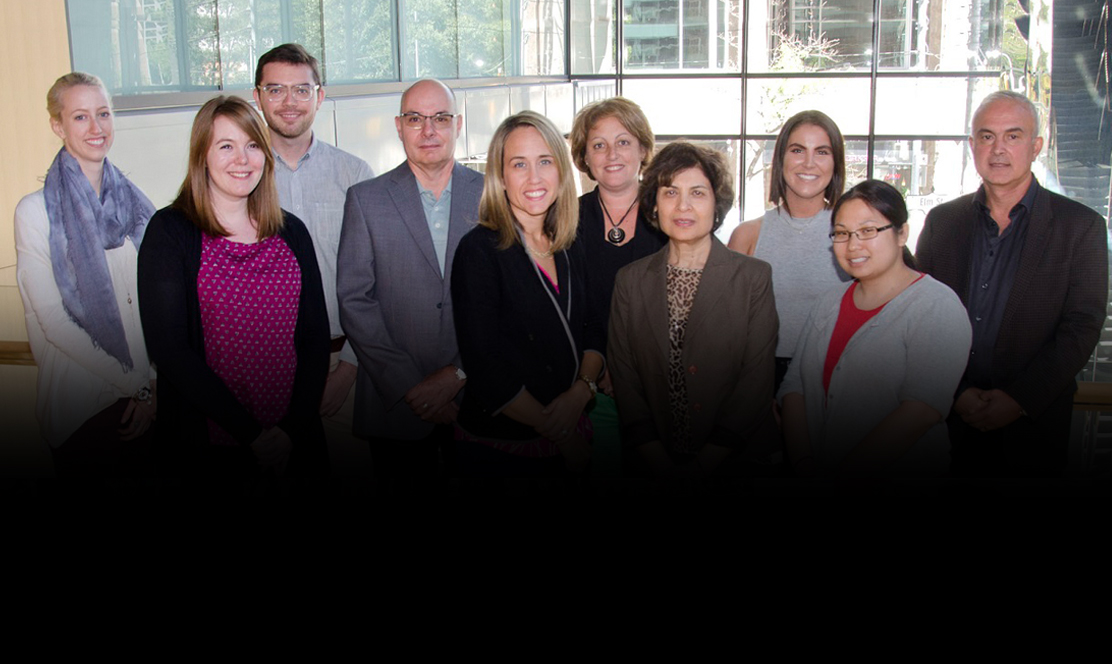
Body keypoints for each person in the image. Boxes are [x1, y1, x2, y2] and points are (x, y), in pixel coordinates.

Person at [916, 91, 1108, 478]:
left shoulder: (1081, 226)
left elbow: (1082, 325)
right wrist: (956, 391)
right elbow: (920, 316)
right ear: (972, 145)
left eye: (1013, 136)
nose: (998, 149)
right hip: (946, 421)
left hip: (1032, 428)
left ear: (1036, 146)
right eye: (987, 136)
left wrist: (1019, 399)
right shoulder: (942, 222)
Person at [138, 96, 330, 478]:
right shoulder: (171, 232)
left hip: (292, 439)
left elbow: (315, 338)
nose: (242, 159)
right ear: (202, 156)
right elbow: (169, 348)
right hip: (210, 446)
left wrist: (288, 431)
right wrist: (253, 435)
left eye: (253, 145)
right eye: (226, 146)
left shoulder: (292, 232)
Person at [337, 79, 483, 484]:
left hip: (477, 396)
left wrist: (457, 373)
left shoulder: (494, 195)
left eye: (441, 118)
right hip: (395, 403)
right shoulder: (365, 199)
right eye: (415, 119)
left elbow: (508, 300)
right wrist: (411, 386)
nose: (429, 130)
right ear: (399, 126)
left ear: (458, 124)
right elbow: (354, 300)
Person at [608, 142, 779, 482]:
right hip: (652, 461)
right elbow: (625, 379)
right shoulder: (629, 280)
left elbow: (756, 381)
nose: (682, 206)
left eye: (698, 193)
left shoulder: (753, 278)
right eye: (670, 192)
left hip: (734, 461)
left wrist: (703, 467)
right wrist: (659, 462)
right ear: (654, 205)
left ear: (717, 204)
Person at [14, 72, 157, 477]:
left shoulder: (136, 205)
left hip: (147, 401)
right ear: (57, 126)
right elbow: (54, 322)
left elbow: (157, 302)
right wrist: (136, 385)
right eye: (80, 117)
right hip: (82, 410)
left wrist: (153, 384)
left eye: (103, 113)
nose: (96, 128)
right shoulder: (34, 212)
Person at [779, 180, 971, 478]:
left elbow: (921, 410)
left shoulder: (936, 305)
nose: (853, 245)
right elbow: (795, 388)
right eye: (842, 233)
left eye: (868, 231)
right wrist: (803, 463)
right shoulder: (828, 302)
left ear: (902, 233)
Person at [451, 110, 604, 478]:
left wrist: (581, 391)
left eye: (545, 161)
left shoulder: (571, 241)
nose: (534, 177)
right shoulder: (479, 251)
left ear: (561, 170)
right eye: (519, 164)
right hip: (501, 451)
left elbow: (594, 326)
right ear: (500, 177)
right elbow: (485, 367)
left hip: (571, 427)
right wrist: (563, 434)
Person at [253, 43, 374, 478]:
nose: (289, 102)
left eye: (301, 90)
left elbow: (377, 282)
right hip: (260, 370)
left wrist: (350, 367)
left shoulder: (355, 175)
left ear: (320, 96)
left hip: (339, 369)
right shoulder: (238, 175)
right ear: (257, 96)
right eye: (276, 90)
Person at [568, 97, 666, 475]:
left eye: (623, 141)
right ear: (585, 157)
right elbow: (561, 309)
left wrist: (628, 368)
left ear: (643, 149)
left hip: (659, 390)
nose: (612, 154)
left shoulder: (672, 215)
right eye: (599, 144)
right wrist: (596, 370)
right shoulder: (564, 221)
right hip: (586, 391)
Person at [728, 110, 851, 390]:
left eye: (822, 152)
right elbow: (728, 326)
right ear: (781, 158)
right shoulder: (747, 235)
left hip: (836, 376)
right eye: (797, 150)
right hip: (759, 378)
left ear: (836, 163)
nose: (809, 163)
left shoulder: (852, 235)